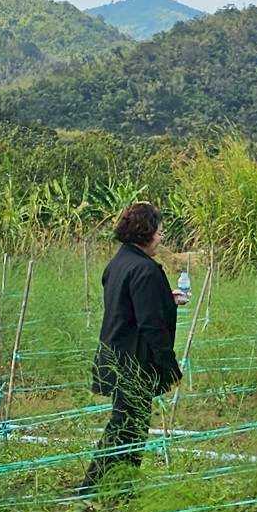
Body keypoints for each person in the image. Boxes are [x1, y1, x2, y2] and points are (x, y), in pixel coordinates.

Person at [80, 202, 187, 491]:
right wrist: (170, 367)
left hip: (114, 355)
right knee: (126, 428)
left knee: (130, 426)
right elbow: (151, 325)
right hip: (134, 363)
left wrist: (166, 298)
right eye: (160, 231)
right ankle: (91, 489)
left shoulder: (119, 262)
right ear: (147, 232)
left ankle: (120, 485)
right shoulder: (146, 270)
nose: (162, 237)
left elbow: (129, 305)